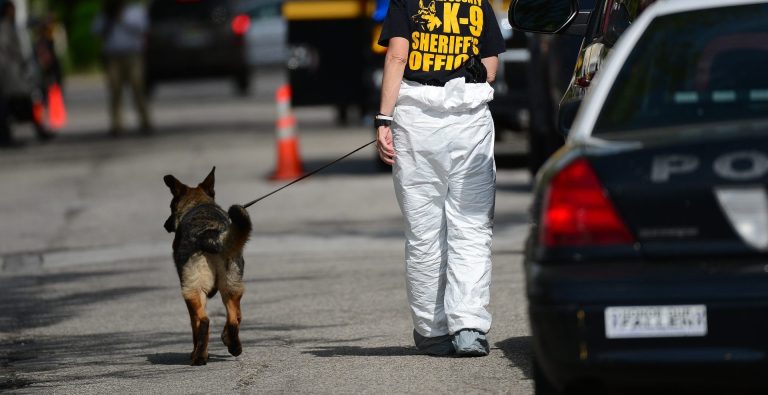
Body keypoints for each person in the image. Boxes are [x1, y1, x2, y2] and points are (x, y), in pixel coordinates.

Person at [375, 0, 505, 356]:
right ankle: (468, 328)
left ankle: (432, 330)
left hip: (417, 123)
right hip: (470, 122)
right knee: (472, 227)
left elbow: (397, 58)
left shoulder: (407, 2)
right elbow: (490, 66)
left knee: (424, 231)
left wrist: (384, 119)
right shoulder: (479, 3)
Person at [92, 0, 152, 136]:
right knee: (115, 90)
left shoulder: (135, 11)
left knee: (137, 87)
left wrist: (121, 18)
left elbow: (143, 28)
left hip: (133, 55)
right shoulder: (105, 14)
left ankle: (145, 121)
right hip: (113, 56)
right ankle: (117, 125)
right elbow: (96, 31)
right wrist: (109, 19)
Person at [0, 0, 28, 147]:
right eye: (12, 10)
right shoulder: (4, 27)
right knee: (4, 107)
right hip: (5, 73)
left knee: (6, 107)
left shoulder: (9, 26)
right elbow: (5, 49)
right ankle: (5, 137)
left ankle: (6, 136)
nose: (14, 13)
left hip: (8, 72)